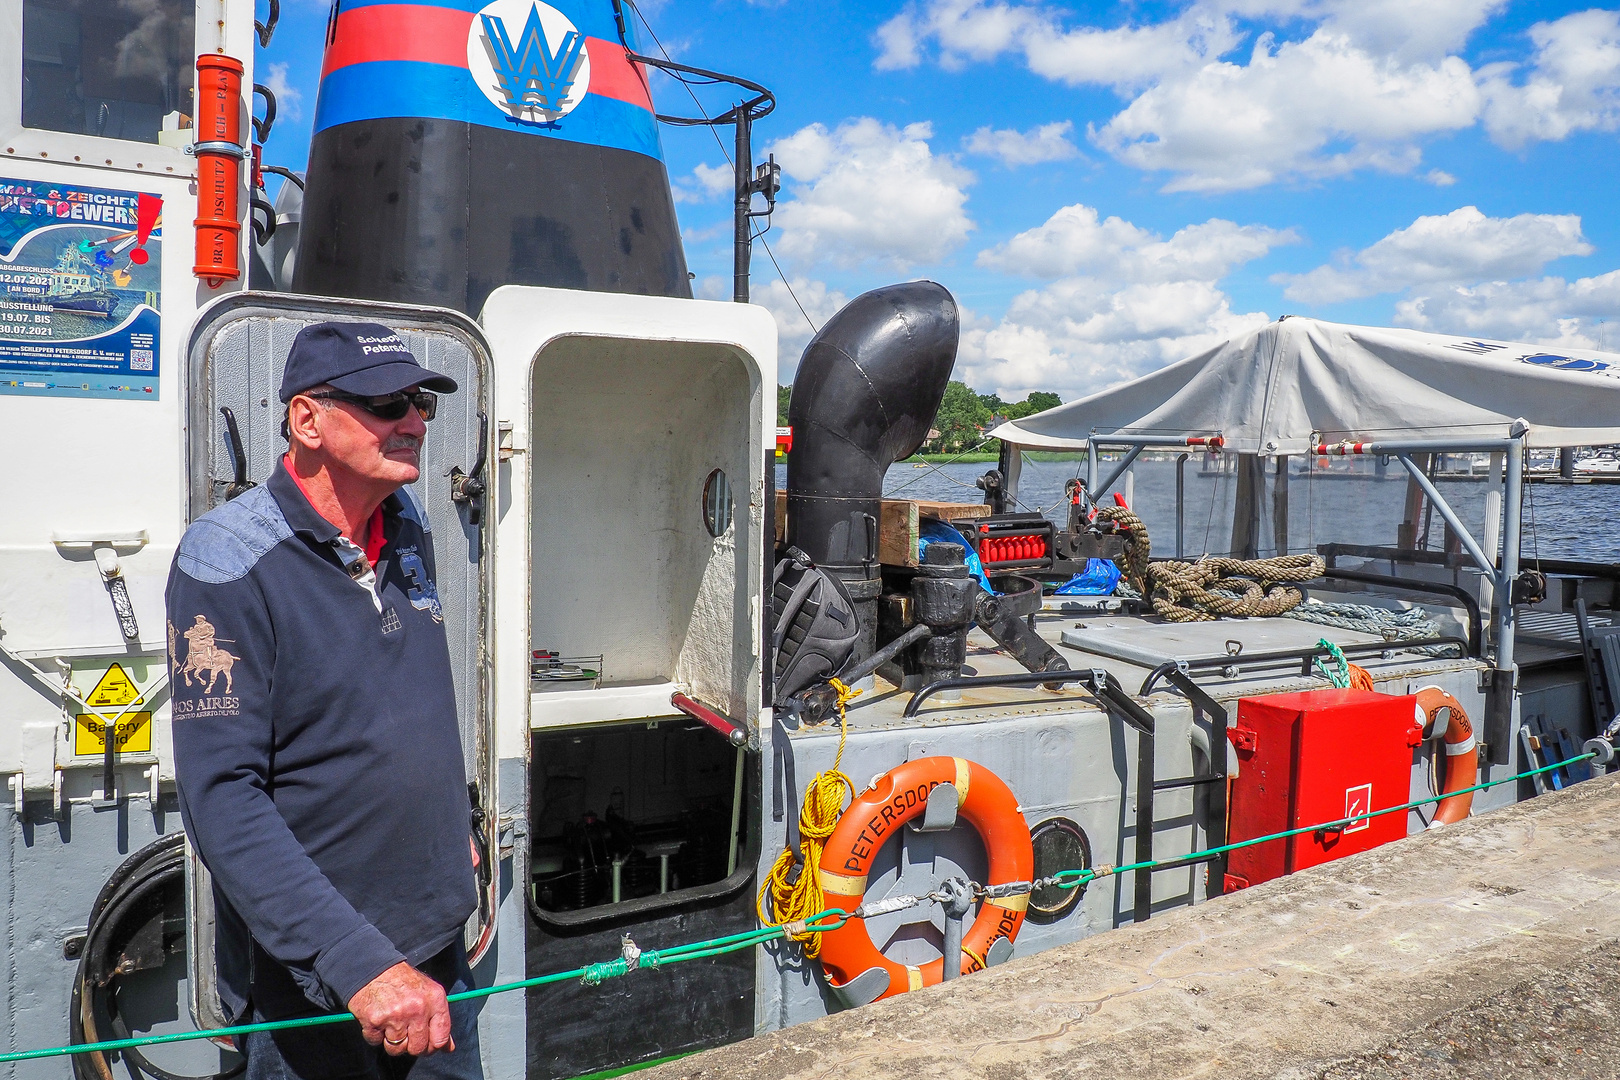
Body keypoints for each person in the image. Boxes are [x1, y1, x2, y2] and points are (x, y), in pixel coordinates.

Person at [167, 321, 482, 1079]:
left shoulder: (406, 526)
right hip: (320, 984)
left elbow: (409, 711)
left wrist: (456, 824)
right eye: (386, 404)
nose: (413, 422)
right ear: (306, 419)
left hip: (437, 954)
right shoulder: (227, 563)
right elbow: (223, 799)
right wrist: (357, 964)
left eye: (421, 404)